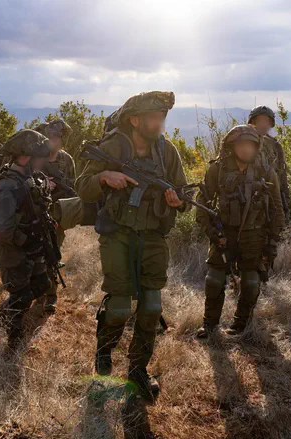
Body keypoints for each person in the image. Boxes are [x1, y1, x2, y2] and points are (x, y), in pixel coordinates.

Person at [75, 91, 186, 404]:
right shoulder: (113, 146)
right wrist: (105, 177)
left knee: (151, 307)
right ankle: (104, 353)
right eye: (153, 116)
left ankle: (138, 368)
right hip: (118, 234)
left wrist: (176, 200)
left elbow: (181, 194)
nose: (159, 122)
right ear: (135, 120)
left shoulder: (167, 152)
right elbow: (82, 186)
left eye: (162, 117)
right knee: (121, 306)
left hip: (153, 236)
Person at [195, 125, 285, 338]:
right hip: (224, 232)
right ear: (232, 146)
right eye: (241, 144)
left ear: (257, 146)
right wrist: (212, 233)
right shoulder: (218, 169)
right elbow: (202, 204)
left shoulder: (266, 171)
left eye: (250, 145)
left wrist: (272, 242)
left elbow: (277, 209)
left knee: (251, 283)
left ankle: (240, 325)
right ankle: (209, 325)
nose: (245, 149)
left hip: (254, 235)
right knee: (214, 280)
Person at [0, 129, 54, 346]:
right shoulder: (7, 186)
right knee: (22, 296)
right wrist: (26, 241)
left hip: (30, 248)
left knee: (42, 284)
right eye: (39, 158)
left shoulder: (28, 179)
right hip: (13, 251)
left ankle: (1, 315)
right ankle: (13, 342)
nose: (41, 163)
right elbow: (2, 230)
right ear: (26, 157)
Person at [36, 119, 75, 313]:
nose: (53, 142)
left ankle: (51, 295)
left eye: (56, 138)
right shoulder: (35, 158)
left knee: (52, 254)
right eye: (50, 138)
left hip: (57, 216)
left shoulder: (67, 160)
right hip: (34, 214)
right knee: (33, 254)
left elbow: (73, 189)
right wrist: (43, 186)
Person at [248, 106, 290, 219]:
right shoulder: (243, 143)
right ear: (252, 122)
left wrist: (285, 198)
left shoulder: (275, 145)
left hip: (273, 197)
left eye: (267, 121)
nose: (264, 124)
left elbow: (282, 174)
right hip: (250, 199)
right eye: (260, 120)